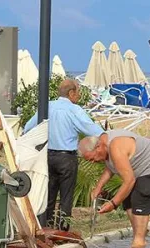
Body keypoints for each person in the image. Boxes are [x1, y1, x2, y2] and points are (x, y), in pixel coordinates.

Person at [24, 79, 103, 231]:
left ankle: (44, 227)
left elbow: (28, 127)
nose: (79, 96)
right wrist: (107, 136)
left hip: (48, 156)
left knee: (48, 194)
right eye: (78, 92)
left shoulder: (48, 106)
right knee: (66, 196)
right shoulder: (74, 110)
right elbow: (91, 129)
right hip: (67, 157)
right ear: (71, 93)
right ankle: (62, 230)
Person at [83, 129, 150, 248]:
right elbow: (110, 168)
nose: (93, 162)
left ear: (98, 147)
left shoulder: (116, 147)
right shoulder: (104, 144)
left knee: (140, 196)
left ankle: (139, 242)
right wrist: (98, 187)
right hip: (140, 168)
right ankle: (138, 236)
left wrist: (113, 203)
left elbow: (129, 180)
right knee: (128, 200)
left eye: (92, 158)